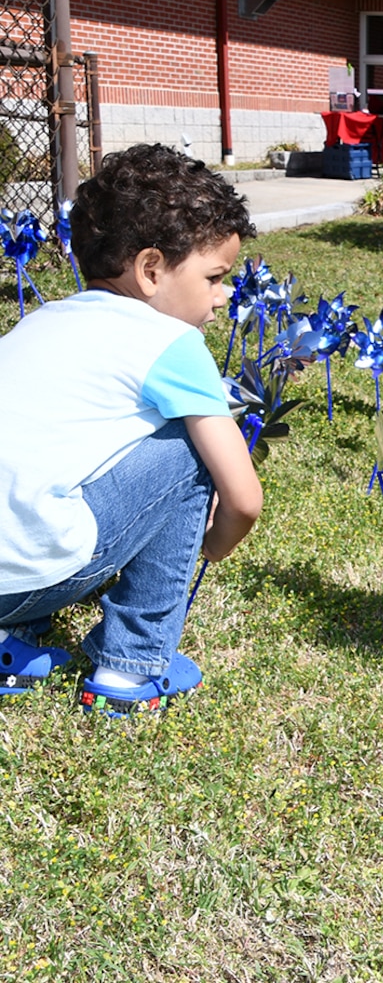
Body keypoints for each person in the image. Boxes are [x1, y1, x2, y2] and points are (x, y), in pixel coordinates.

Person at [0, 143, 263, 715]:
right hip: (34, 571)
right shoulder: (173, 344)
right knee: (187, 448)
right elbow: (243, 499)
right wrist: (213, 545)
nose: (223, 298)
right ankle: (129, 667)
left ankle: (8, 645)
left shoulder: (40, 320)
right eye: (215, 277)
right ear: (150, 270)